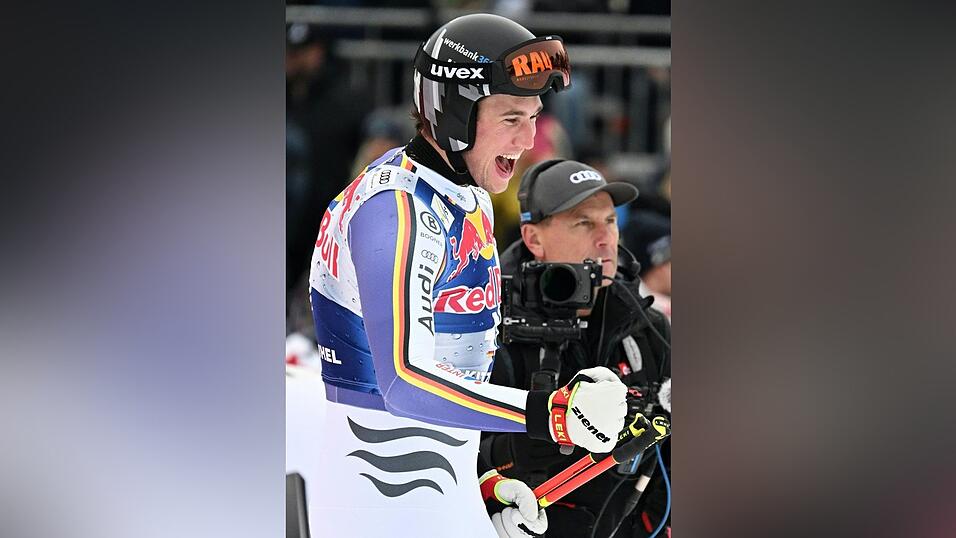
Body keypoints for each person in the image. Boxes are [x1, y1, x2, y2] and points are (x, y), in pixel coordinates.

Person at [307, 14, 628, 538]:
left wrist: (478, 485)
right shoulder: (397, 209)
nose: (528, 141)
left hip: (428, 494)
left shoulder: (466, 194)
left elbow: (449, 386)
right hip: (379, 501)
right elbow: (404, 381)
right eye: (510, 119)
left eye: (534, 117)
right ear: (453, 113)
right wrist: (550, 412)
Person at [480, 159, 672, 537]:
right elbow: (453, 448)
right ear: (534, 239)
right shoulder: (490, 320)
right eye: (583, 223)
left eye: (610, 221)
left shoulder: (648, 326)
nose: (605, 238)